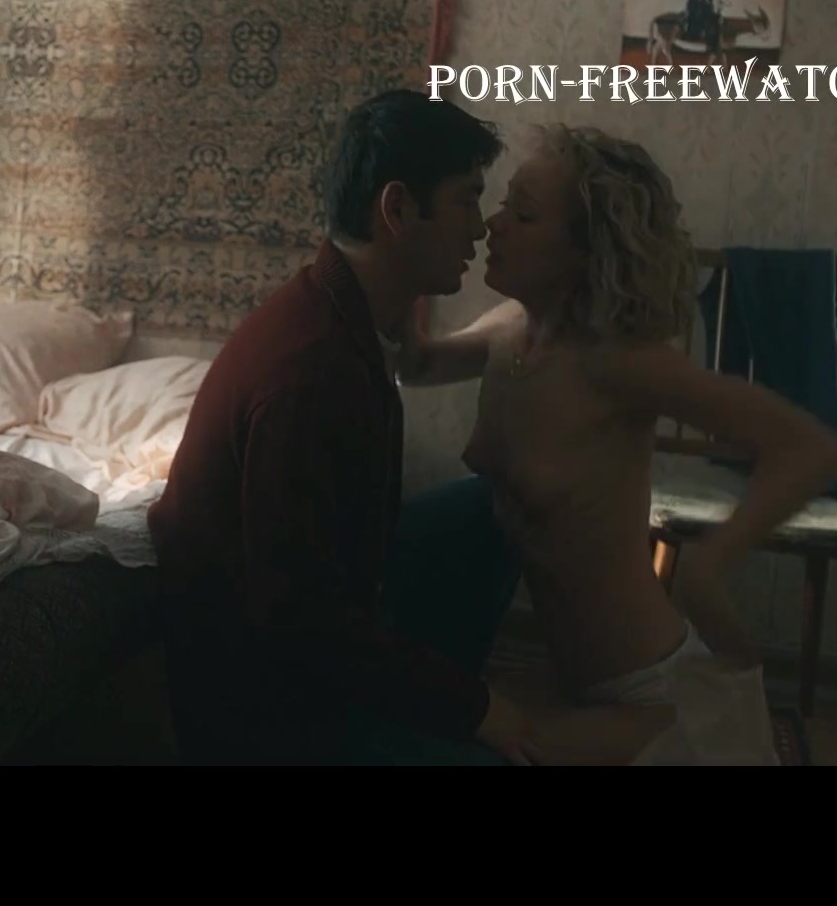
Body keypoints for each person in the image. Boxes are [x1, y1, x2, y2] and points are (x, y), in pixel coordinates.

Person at [396, 123, 837, 764]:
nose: (493, 224)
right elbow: (413, 366)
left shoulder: (618, 362)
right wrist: (405, 250)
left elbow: (812, 448)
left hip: (657, 697)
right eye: (501, 204)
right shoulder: (508, 331)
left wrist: (709, 564)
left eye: (523, 214)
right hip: (578, 687)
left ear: (586, 252)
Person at [146, 88, 542, 767]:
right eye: (467, 200)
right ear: (398, 209)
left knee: (491, 506)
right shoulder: (312, 371)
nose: (480, 230)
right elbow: (298, 620)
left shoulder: (349, 310)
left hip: (323, 622)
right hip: (263, 709)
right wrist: (479, 710)